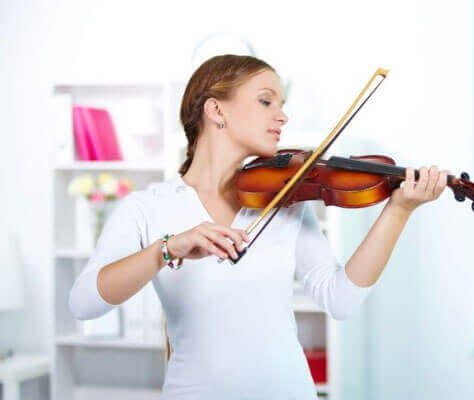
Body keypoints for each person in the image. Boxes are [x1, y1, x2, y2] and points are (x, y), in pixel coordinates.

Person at [69, 54, 450, 399]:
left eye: (283, 105)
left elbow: (341, 299)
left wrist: (398, 210)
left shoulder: (283, 202)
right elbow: (84, 303)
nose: (282, 116)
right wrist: (168, 248)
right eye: (266, 101)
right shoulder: (147, 208)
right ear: (216, 110)